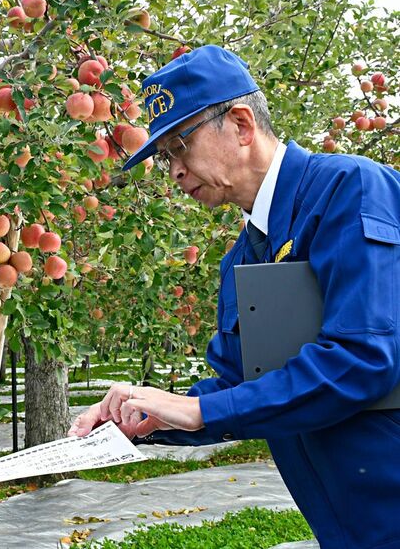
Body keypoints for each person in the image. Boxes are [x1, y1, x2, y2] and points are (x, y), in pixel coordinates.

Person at [70, 45, 400, 549]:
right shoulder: (242, 260)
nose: (174, 171)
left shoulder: (349, 192)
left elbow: (364, 357)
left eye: (180, 145)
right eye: (164, 158)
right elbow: (238, 387)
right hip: (344, 524)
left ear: (242, 125)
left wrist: (198, 412)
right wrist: (149, 417)